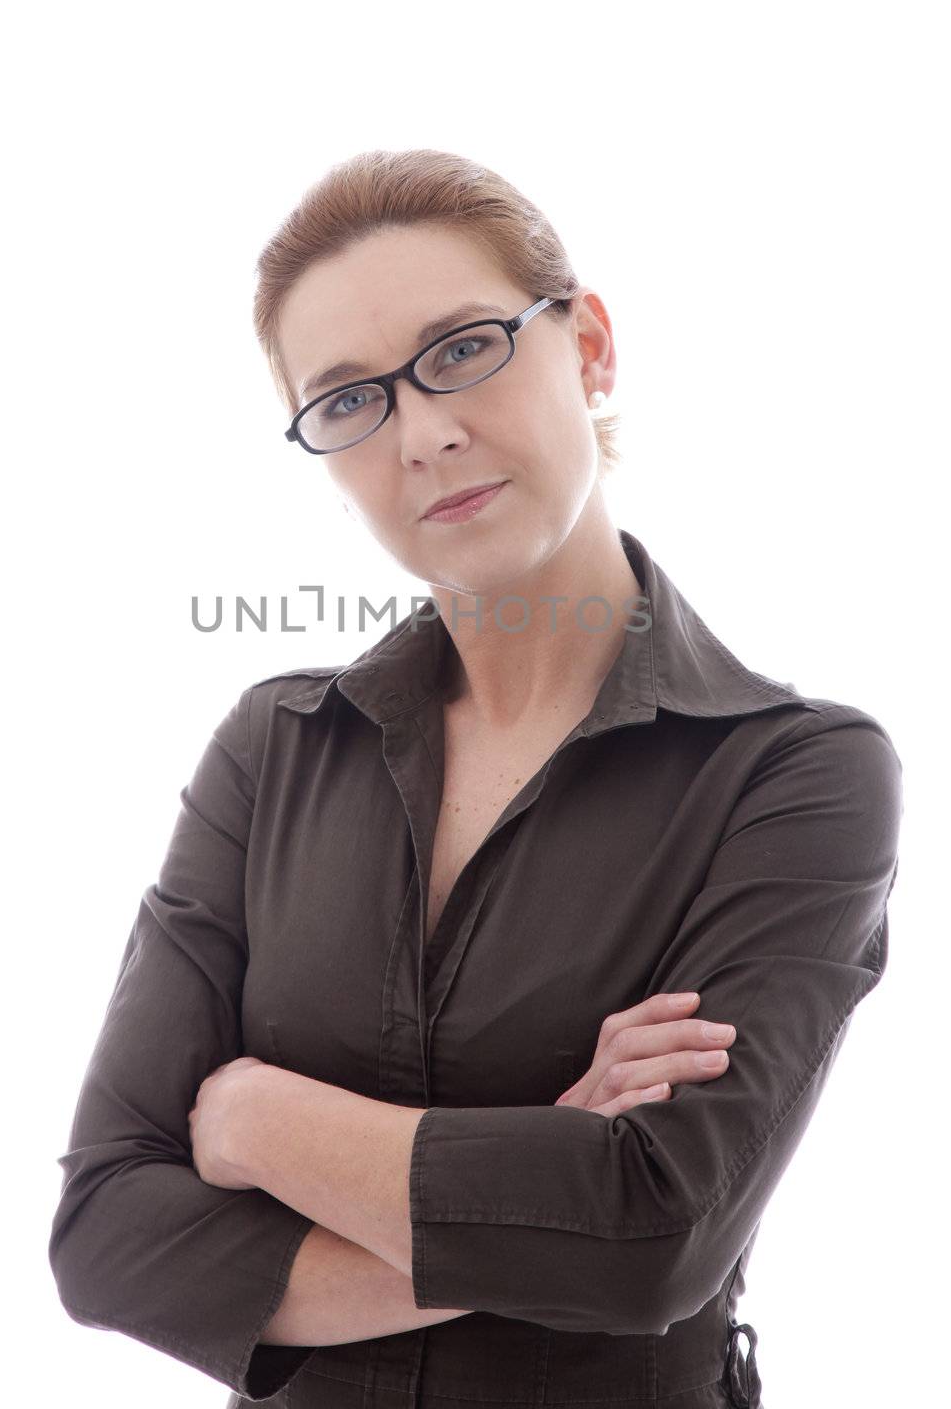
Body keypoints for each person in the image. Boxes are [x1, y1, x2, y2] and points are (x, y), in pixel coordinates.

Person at [49, 149, 903, 1409]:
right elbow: (107, 1239)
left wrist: (251, 1117)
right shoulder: (272, 748)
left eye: (462, 348)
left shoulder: (795, 772)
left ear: (589, 345)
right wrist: (536, 1182)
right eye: (347, 400)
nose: (424, 432)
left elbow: (648, 1235)